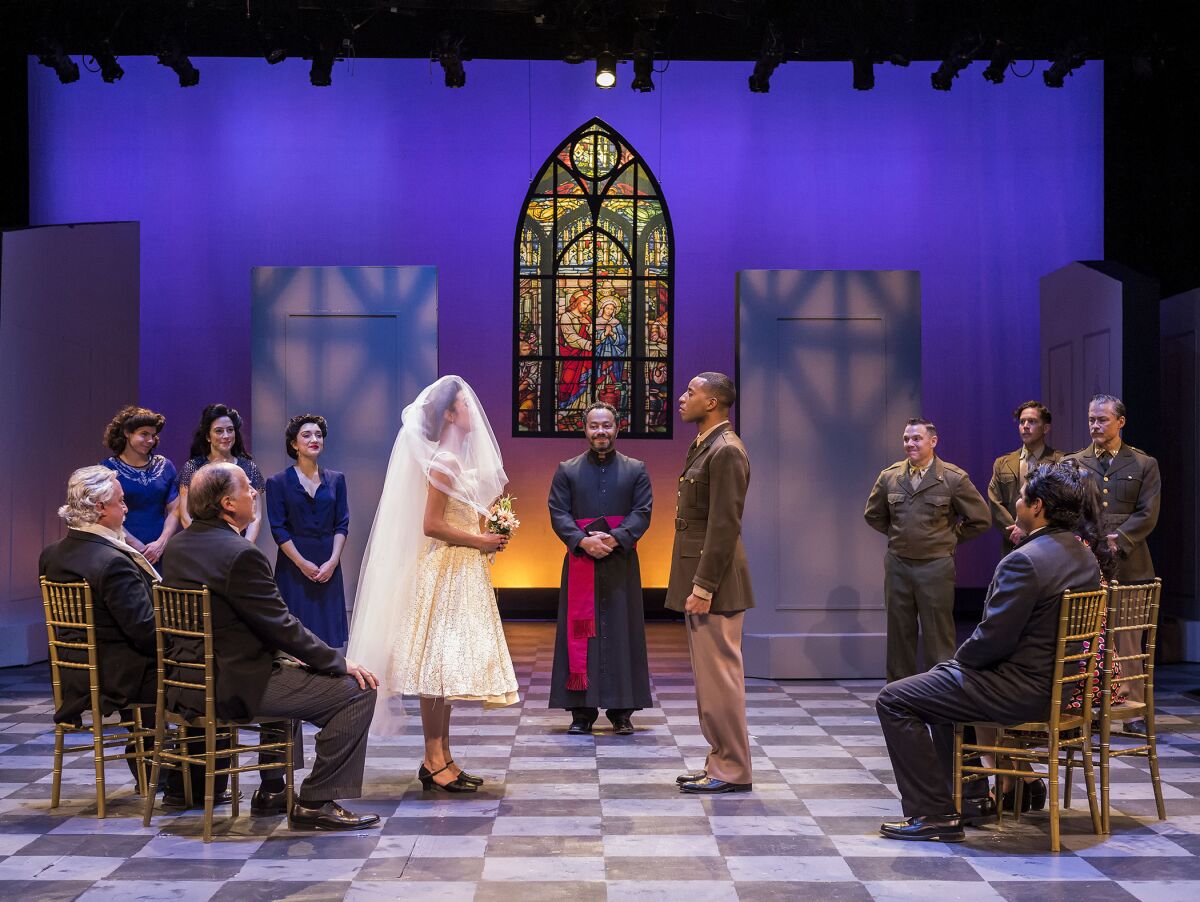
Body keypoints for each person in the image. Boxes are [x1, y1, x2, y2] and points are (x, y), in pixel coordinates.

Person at [874, 460, 1104, 842]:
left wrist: (952, 666)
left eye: (1022, 495)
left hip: (1021, 689)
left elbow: (992, 640)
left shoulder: (1025, 561)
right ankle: (972, 799)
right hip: (1060, 685)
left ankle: (933, 813)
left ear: (1038, 506)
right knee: (938, 691)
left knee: (895, 699)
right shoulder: (1083, 556)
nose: (1016, 501)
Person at [159, 463, 380, 830]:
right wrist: (339, 663)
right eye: (247, 488)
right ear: (228, 504)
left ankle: (275, 789)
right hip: (233, 684)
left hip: (187, 680)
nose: (254, 494)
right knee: (357, 691)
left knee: (296, 668)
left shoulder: (180, 545)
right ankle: (316, 800)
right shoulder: (240, 554)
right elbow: (281, 626)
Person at [348, 375, 518, 793]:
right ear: (448, 413)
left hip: (462, 567)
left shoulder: (453, 460)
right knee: (435, 669)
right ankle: (432, 757)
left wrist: (487, 535)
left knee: (443, 672)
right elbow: (432, 524)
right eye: (463, 403)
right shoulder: (444, 461)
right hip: (445, 569)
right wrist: (482, 538)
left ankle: (442, 756)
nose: (471, 410)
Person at [39, 466, 159, 780]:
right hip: (117, 673)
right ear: (100, 508)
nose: (126, 507)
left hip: (74, 670)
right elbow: (146, 633)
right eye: (121, 501)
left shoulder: (52, 555)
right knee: (195, 673)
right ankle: (181, 777)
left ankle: (156, 766)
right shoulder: (113, 561)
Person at [667, 372, 755, 794]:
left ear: (714, 402)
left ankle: (733, 767)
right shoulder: (706, 445)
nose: (682, 398)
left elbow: (724, 526)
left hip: (716, 583)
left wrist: (703, 587)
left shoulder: (727, 451)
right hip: (702, 577)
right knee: (710, 680)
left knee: (721, 678)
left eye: (691, 393)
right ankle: (720, 759)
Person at [548, 401, 653, 735]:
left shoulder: (636, 469)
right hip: (581, 561)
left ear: (617, 427)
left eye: (606, 425)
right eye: (594, 426)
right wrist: (582, 541)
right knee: (580, 634)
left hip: (620, 561)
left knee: (624, 632)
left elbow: (643, 512)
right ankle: (581, 713)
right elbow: (558, 512)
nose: (600, 432)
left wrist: (614, 539)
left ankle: (623, 712)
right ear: (585, 429)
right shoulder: (567, 469)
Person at [864, 418, 991, 682]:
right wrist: (900, 533)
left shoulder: (953, 479)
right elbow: (873, 515)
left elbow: (981, 519)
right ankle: (899, 697)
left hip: (935, 567)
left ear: (933, 442)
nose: (910, 444)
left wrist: (949, 537)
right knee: (899, 638)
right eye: (906, 439)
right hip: (898, 565)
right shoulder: (890, 476)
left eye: (916, 439)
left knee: (938, 637)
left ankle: (940, 697)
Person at [1066, 393, 1161, 735]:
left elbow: (1148, 513)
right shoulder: (1074, 463)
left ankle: (1133, 711)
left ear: (1120, 422)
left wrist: (1116, 541)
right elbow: (1071, 510)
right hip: (1086, 564)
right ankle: (1084, 709)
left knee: (1128, 640)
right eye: (1091, 419)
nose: (1095, 425)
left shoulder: (1143, 464)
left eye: (1102, 419)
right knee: (1085, 638)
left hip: (1130, 565)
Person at [266, 414, 350, 647]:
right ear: (294, 444)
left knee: (327, 634)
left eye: (318, 435)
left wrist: (333, 562)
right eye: (307, 435)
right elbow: (278, 529)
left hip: (328, 561)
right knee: (295, 631)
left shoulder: (337, 479)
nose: (314, 439)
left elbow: (342, 524)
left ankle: (328, 681)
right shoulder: (277, 482)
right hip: (293, 564)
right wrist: (301, 563)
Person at [101, 405, 180, 565]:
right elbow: (104, 515)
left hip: (159, 551)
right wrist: (136, 546)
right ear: (127, 433)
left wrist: (161, 543)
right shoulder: (107, 469)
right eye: (144, 434)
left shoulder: (165, 466)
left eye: (153, 435)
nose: (150, 440)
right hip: (122, 550)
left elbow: (175, 510)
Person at [178, 404, 266, 541]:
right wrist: (205, 544)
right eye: (219, 431)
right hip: (202, 544)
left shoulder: (249, 467)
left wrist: (244, 545)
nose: (226, 436)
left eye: (230, 430)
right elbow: (185, 515)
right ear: (208, 436)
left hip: (239, 544)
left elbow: (256, 516)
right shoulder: (193, 467)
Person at [988, 401, 1064, 556]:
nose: (1025, 426)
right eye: (1022, 422)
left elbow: (1062, 504)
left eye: (1032, 421)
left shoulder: (1059, 461)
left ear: (1046, 428)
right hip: (1012, 543)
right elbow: (994, 502)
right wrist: (1016, 530)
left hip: (1048, 543)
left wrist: (1035, 531)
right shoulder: (1002, 463)